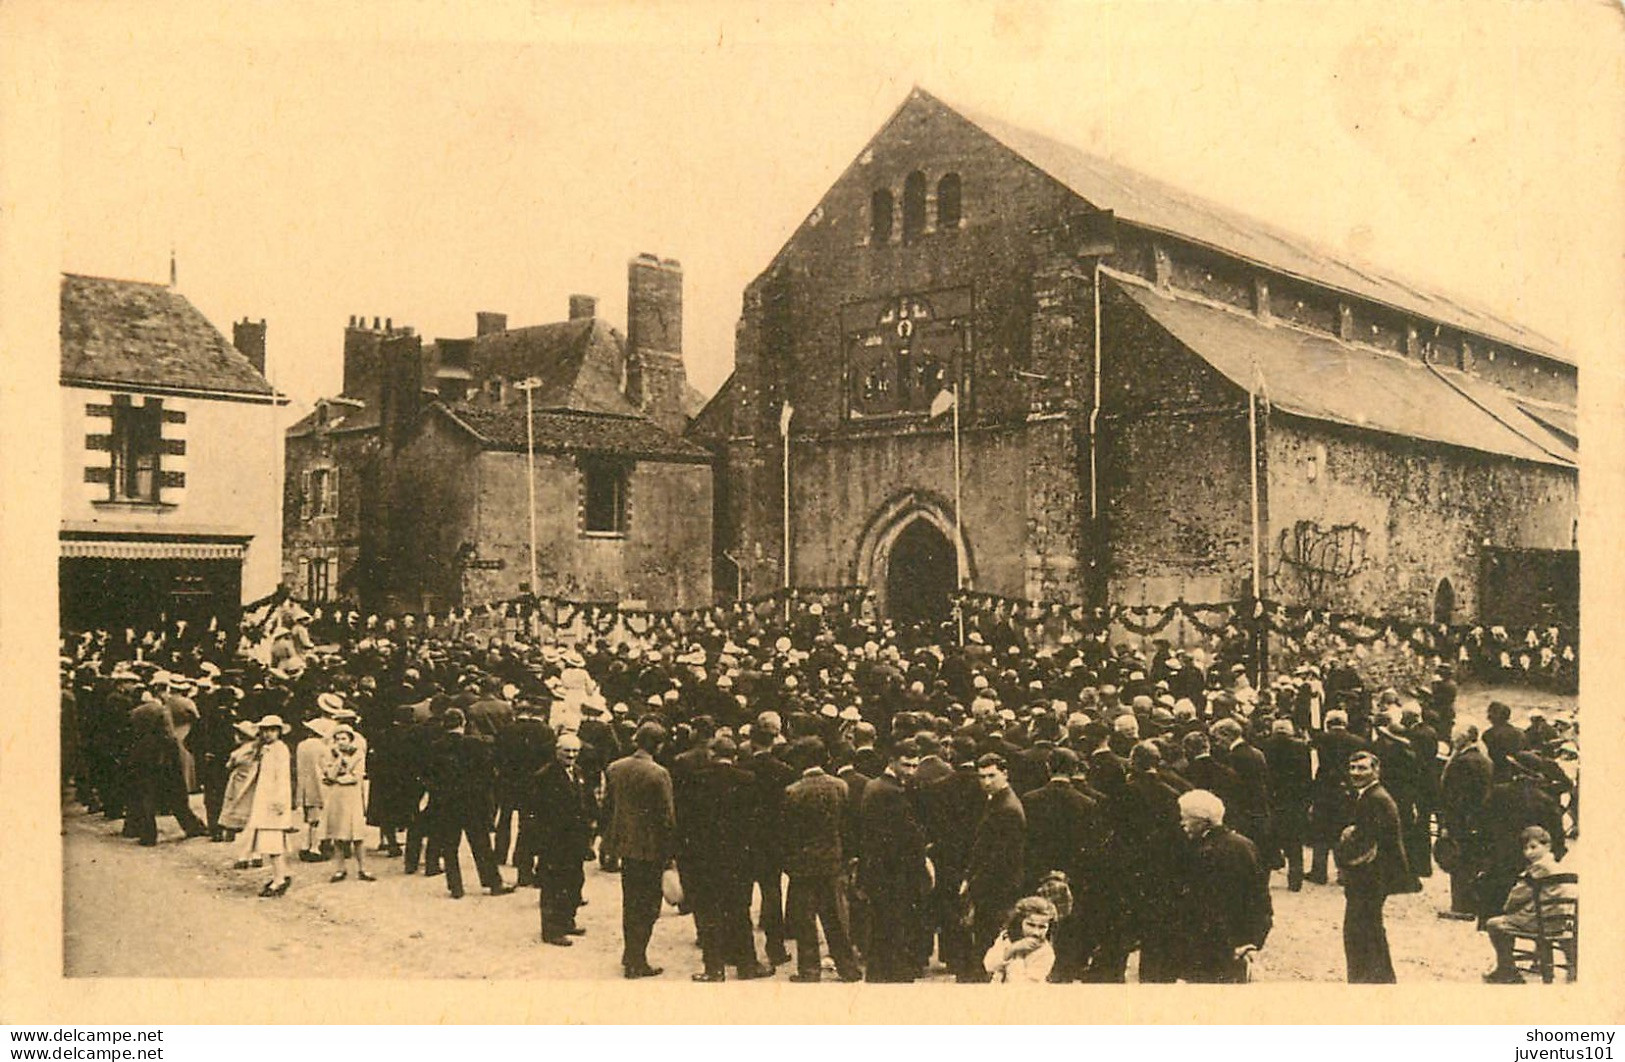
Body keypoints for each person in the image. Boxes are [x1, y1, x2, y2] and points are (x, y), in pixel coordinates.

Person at [681, 735, 772, 981]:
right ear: (734, 756)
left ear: (712, 753)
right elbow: (757, 824)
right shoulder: (749, 780)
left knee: (709, 913)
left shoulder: (697, 780)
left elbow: (688, 824)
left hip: (706, 860)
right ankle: (747, 965)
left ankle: (714, 969)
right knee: (740, 912)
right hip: (739, 860)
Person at [782, 736, 862, 983]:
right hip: (833, 861)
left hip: (804, 864)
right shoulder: (840, 786)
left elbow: (788, 833)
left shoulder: (793, 792)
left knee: (805, 919)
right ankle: (848, 968)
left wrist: (790, 862)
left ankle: (809, 970)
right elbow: (848, 826)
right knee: (836, 918)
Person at [603, 720, 675, 979]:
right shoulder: (659, 774)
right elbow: (667, 818)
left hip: (625, 846)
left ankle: (629, 952)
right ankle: (637, 959)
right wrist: (670, 855)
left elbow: (608, 807)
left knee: (630, 902)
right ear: (659, 745)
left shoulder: (615, 768)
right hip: (651, 849)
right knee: (648, 906)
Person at [1176, 789, 1272, 982]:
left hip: (1211, 947)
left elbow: (1204, 906)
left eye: (1185, 818)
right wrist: (1253, 940)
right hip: (1240, 945)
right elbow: (1260, 898)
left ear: (1202, 821)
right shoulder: (1245, 845)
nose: (1182, 823)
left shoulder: (1205, 853)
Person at [857, 742, 930, 982]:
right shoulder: (894, 792)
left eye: (914, 766)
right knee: (895, 925)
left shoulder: (873, 785)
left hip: (876, 868)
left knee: (881, 925)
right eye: (906, 765)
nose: (911, 771)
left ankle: (880, 974)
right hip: (893, 871)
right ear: (892, 762)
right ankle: (894, 974)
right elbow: (909, 836)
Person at [1336, 750, 1411, 983]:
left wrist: (1347, 842)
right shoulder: (1370, 796)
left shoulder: (1375, 799)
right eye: (1353, 768)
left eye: (1362, 768)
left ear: (1375, 770)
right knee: (1369, 927)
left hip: (1371, 876)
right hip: (1374, 874)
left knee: (1359, 928)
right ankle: (1378, 977)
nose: (1356, 773)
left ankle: (1366, 978)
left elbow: (1367, 844)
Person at [426, 708, 512, 899]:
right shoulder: (476, 744)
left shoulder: (435, 746)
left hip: (446, 802)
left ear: (444, 725)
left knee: (449, 846)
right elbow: (489, 773)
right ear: (463, 723)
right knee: (481, 843)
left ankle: (455, 887)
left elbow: (428, 776)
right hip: (473, 802)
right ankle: (493, 882)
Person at [1482, 825, 1577, 984]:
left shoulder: (1537, 869)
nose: (1529, 852)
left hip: (1541, 922)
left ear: (1547, 845)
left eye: (1534, 847)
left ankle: (1507, 969)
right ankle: (1571, 968)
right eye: (1525, 849)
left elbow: (1517, 896)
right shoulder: (1560, 867)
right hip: (1563, 921)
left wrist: (1508, 908)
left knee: (1494, 924)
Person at [963, 752, 1026, 982]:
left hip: (996, 889)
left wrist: (973, 883)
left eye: (992, 776)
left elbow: (999, 858)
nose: (987, 782)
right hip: (993, 887)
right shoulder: (999, 801)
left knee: (989, 949)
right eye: (982, 777)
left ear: (1005, 774)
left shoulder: (1006, 808)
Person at [530, 732, 595, 946]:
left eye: (575, 751)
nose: (571, 755)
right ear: (557, 750)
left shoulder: (578, 772)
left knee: (574, 881)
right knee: (552, 885)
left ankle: (567, 920)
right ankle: (551, 930)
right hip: (554, 841)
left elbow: (586, 802)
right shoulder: (545, 775)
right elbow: (537, 812)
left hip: (575, 840)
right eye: (567, 751)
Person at [240, 716, 297, 896]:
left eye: (272, 730)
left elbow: (282, 777)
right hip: (265, 799)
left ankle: (279, 879)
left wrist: (279, 801)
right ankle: (280, 875)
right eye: (265, 730)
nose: (268, 733)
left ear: (279, 731)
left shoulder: (280, 749)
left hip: (274, 801)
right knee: (270, 841)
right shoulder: (265, 749)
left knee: (272, 842)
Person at [321, 722, 373, 882]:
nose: (340, 742)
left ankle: (363, 868)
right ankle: (339, 868)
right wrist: (338, 762)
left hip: (351, 796)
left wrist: (339, 777)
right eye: (337, 739)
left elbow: (356, 777)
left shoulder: (358, 754)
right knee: (337, 834)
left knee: (356, 834)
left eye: (343, 738)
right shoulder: (331, 755)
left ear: (350, 740)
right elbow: (329, 775)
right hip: (336, 797)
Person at [982, 895, 1057, 984]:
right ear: (1019, 922)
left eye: (1042, 927)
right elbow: (989, 965)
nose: (1035, 932)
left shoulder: (1045, 952)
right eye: (1030, 925)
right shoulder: (1006, 938)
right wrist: (1011, 950)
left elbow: (1025, 984)